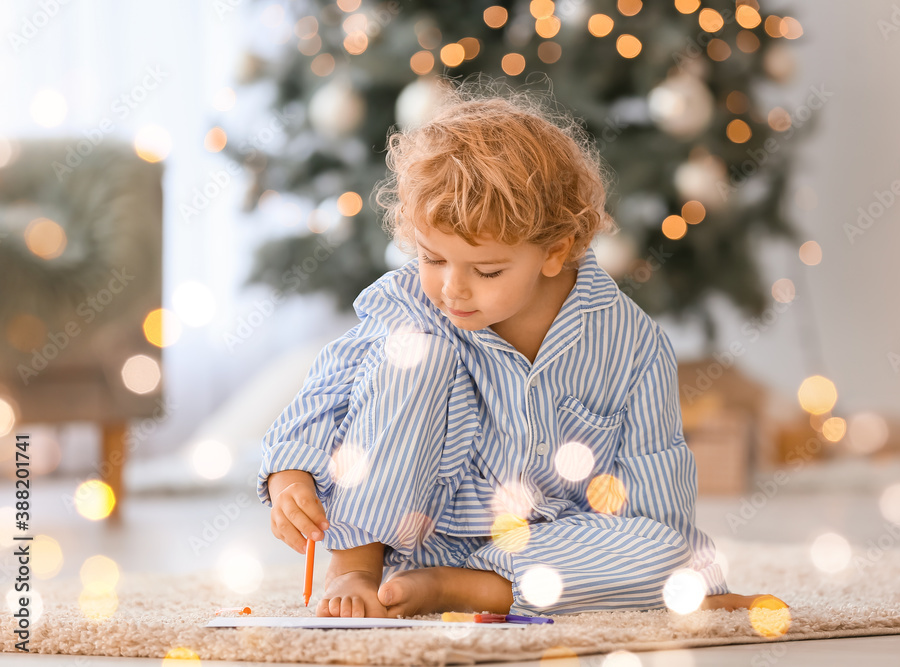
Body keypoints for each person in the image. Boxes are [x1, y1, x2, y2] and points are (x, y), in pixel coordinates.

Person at [258, 81, 778, 618]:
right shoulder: (410, 303)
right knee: (415, 354)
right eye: (433, 259)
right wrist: (290, 476)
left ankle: (462, 587)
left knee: (684, 557)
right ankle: (357, 571)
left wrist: (679, 577)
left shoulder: (632, 344)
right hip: (413, 531)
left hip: (545, 553)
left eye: (486, 270)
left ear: (554, 252)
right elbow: (327, 395)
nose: (451, 289)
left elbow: (657, 507)